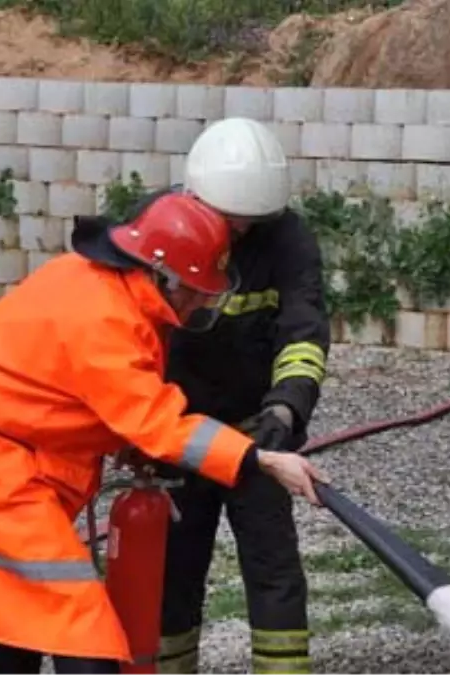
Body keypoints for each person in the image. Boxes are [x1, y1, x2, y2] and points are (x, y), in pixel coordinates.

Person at [0, 192, 327, 675]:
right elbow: (158, 421)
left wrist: (126, 440)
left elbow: (84, 393)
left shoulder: (111, 291)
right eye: (196, 289)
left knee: (15, 617)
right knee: (80, 627)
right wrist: (262, 460)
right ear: (164, 276)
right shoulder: (105, 319)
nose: (201, 301)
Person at [141, 118, 330, 675]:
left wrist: (286, 407)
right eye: (230, 221)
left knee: (274, 571)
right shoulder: (160, 228)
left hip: (256, 434)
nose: (240, 232)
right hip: (175, 435)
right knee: (174, 571)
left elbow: (303, 332)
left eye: (252, 222)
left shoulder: (288, 239)